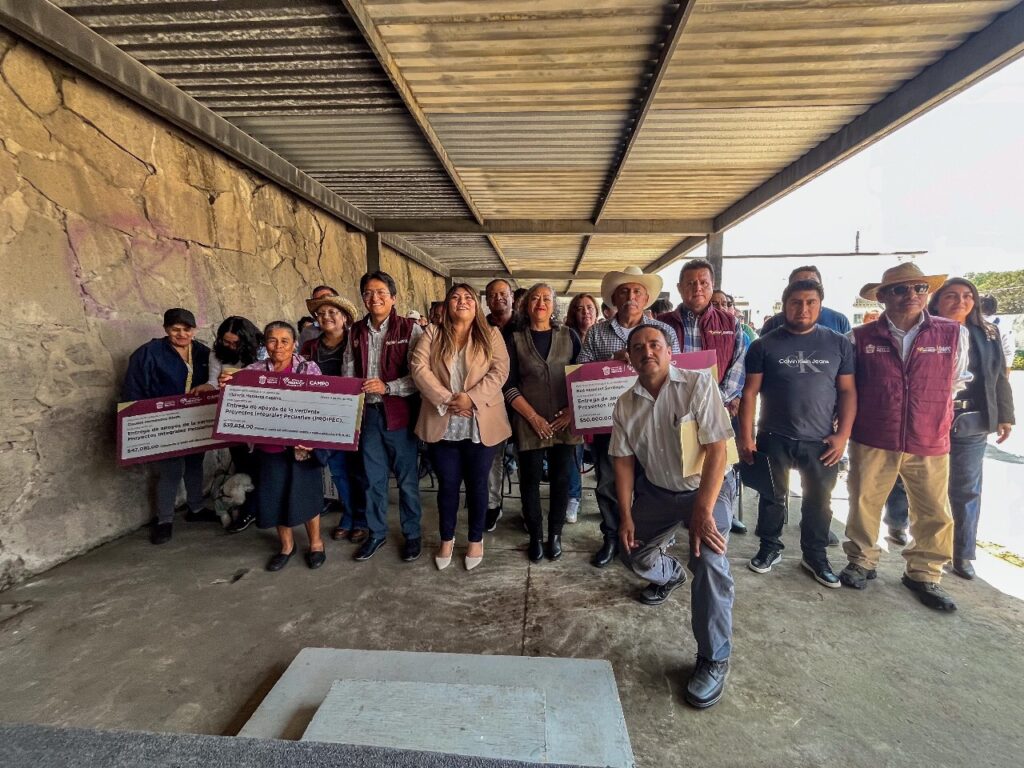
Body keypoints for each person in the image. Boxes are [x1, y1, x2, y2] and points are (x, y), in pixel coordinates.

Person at [611, 325, 737, 709]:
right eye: (638, 347)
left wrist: (703, 510)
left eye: (655, 345)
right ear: (629, 358)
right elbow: (623, 461)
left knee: (710, 562)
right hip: (658, 492)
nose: (647, 352)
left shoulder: (698, 384)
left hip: (707, 488)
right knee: (631, 550)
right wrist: (625, 515)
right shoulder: (625, 404)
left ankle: (714, 658)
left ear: (670, 352)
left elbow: (718, 449)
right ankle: (669, 574)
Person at [839, 263, 970, 611]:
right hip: (873, 434)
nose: (911, 295)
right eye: (900, 289)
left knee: (933, 509)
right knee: (864, 502)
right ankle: (862, 560)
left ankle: (924, 572)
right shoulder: (859, 338)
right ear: (882, 296)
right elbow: (849, 387)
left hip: (929, 436)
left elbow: (955, 382)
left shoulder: (952, 334)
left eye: (919, 288)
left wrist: (933, 415)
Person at [738, 280, 856, 587]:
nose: (803, 308)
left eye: (810, 302)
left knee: (819, 501)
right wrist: (746, 437)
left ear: (820, 305)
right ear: (784, 305)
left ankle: (815, 555)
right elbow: (749, 393)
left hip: (821, 440)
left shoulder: (839, 344)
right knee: (771, 497)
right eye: (796, 302)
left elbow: (847, 391)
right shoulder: (764, 345)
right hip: (774, 435)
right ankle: (769, 547)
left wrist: (842, 435)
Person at [579, 266, 680, 567]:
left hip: (654, 422)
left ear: (647, 298)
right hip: (608, 421)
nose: (630, 297)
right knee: (608, 483)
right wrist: (610, 362)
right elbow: (581, 372)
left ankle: (647, 540)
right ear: (614, 298)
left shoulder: (664, 332)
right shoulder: (597, 332)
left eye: (637, 291)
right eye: (624, 291)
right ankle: (612, 537)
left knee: (652, 482)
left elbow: (676, 370)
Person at [411, 283, 511, 571]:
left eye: (468, 297)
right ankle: (447, 538)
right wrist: (448, 399)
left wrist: (471, 398)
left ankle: (476, 539)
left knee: (478, 484)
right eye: (455, 297)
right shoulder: (433, 333)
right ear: (447, 304)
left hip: (480, 422)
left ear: (476, 305)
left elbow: (500, 371)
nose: (462, 301)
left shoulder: (491, 334)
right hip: (442, 420)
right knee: (448, 485)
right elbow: (419, 368)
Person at [918, 279, 1012, 579]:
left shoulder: (987, 333)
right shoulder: (923, 330)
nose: (961, 301)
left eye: (968, 296)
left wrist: (1005, 415)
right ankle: (912, 534)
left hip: (971, 420)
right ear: (937, 301)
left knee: (966, 489)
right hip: (928, 418)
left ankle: (961, 552)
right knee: (922, 485)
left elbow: (998, 376)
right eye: (952, 296)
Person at [225, 322, 329, 572]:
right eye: (272, 340)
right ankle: (286, 546)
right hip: (269, 448)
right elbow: (238, 401)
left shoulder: (308, 368)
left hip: (302, 447)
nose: (278, 346)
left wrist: (313, 437)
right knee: (275, 497)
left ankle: (316, 543)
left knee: (307, 494)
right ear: (265, 344)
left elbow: (322, 404)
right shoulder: (253, 371)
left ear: (294, 344)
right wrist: (227, 384)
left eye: (285, 341)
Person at [657, 259, 750, 535]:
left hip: (716, 409)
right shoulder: (662, 324)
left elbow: (738, 366)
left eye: (703, 282)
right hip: (672, 409)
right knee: (675, 464)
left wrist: (713, 401)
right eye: (690, 283)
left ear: (712, 285)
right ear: (679, 288)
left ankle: (719, 513)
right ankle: (672, 524)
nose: (697, 288)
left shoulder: (730, 324)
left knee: (718, 464)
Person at [342, 271, 426, 563]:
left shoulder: (410, 330)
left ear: (393, 298)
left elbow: (420, 377)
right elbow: (348, 370)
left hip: (400, 415)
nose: (374, 298)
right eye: (368, 293)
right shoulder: (355, 332)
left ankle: (412, 534)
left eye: (380, 292)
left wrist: (388, 387)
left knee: (407, 480)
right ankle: (376, 533)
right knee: (373, 479)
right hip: (369, 416)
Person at [503, 283, 582, 562]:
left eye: (546, 298)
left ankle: (555, 534)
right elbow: (508, 384)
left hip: (564, 421)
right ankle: (536, 536)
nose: (540, 303)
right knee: (529, 481)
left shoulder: (569, 335)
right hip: (528, 421)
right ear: (526, 305)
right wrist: (533, 417)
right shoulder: (515, 338)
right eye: (535, 298)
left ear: (554, 305)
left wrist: (572, 411)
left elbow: (583, 376)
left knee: (561, 480)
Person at [122, 308, 215, 545]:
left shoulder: (204, 353)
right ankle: (164, 520)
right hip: (164, 422)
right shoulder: (148, 353)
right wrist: (139, 422)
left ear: (195, 330)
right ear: (166, 329)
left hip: (195, 418)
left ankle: (196, 508)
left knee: (195, 464)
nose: (182, 334)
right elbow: (133, 389)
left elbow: (215, 380)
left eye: (187, 329)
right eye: (175, 329)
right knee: (171, 470)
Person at [300, 293, 367, 545]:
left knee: (359, 470)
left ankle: (362, 518)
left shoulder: (359, 342)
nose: (326, 317)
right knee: (338, 470)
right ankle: (348, 515)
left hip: (357, 414)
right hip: (325, 417)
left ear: (345, 317)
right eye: (321, 313)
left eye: (332, 312)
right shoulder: (310, 347)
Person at [190, 315, 264, 534]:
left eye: (235, 343)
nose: (230, 347)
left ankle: (259, 507)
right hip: (234, 417)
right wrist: (208, 386)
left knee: (263, 465)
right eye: (226, 342)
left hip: (260, 414)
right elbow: (214, 381)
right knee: (243, 463)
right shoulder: (217, 353)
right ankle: (247, 508)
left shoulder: (261, 351)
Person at [563, 292, 601, 523]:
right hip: (574, 404)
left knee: (603, 457)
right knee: (573, 455)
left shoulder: (604, 334)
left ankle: (607, 501)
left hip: (602, 405)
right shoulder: (566, 336)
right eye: (579, 308)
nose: (585, 312)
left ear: (596, 311)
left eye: (589, 307)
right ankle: (573, 497)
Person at [483, 279, 515, 531]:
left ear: (512, 296)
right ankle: (492, 505)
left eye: (503, 293)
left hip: (524, 402)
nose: (498, 298)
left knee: (527, 458)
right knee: (492, 457)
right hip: (491, 400)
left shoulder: (524, 325)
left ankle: (529, 510)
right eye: (492, 295)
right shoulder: (480, 326)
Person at [760, 266, 851, 335]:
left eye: (812, 283)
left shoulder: (839, 321)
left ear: (821, 289)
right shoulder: (773, 324)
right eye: (799, 283)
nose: (806, 287)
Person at [979, 294, 1015, 375]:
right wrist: (1006, 373)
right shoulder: (1004, 323)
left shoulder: (970, 322)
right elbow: (1009, 350)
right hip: (996, 368)